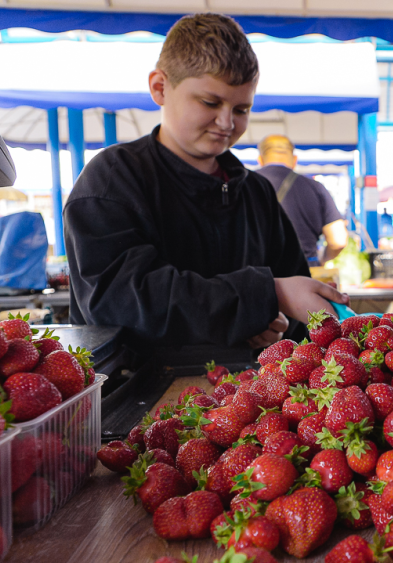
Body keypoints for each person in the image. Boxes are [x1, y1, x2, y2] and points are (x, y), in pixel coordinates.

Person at [63, 14, 348, 351]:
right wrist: (265, 296)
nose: (226, 122)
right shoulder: (112, 179)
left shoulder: (256, 193)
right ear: (160, 87)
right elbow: (122, 300)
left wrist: (274, 319)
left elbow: (291, 292)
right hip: (139, 394)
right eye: (210, 103)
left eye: (241, 109)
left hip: (249, 394)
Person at [255, 135, 348, 265]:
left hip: (257, 274)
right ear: (294, 160)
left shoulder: (241, 185)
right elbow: (338, 240)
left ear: (260, 160)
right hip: (303, 273)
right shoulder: (315, 188)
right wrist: (322, 260)